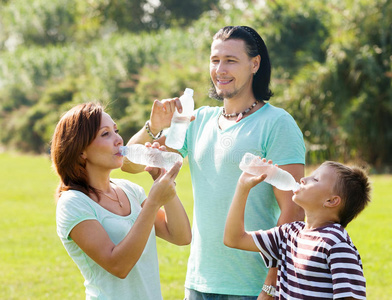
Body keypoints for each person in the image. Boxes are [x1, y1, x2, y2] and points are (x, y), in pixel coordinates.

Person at [122, 26, 306, 299]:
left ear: (254, 64)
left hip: (252, 286)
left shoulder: (277, 124)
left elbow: (293, 211)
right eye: (215, 60)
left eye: (231, 60)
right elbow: (130, 164)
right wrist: (154, 126)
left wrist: (272, 280)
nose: (220, 69)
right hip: (199, 284)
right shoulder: (198, 120)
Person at [51, 102, 191, 300]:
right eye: (105, 134)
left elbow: (181, 236)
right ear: (81, 150)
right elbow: (119, 265)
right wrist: (152, 202)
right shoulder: (73, 203)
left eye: (116, 131)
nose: (118, 139)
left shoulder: (130, 190)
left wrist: (163, 179)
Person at [224, 160, 370, 300]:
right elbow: (234, 239)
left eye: (315, 179)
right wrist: (243, 187)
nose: (303, 179)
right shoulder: (288, 233)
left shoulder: (336, 244)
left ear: (331, 201)